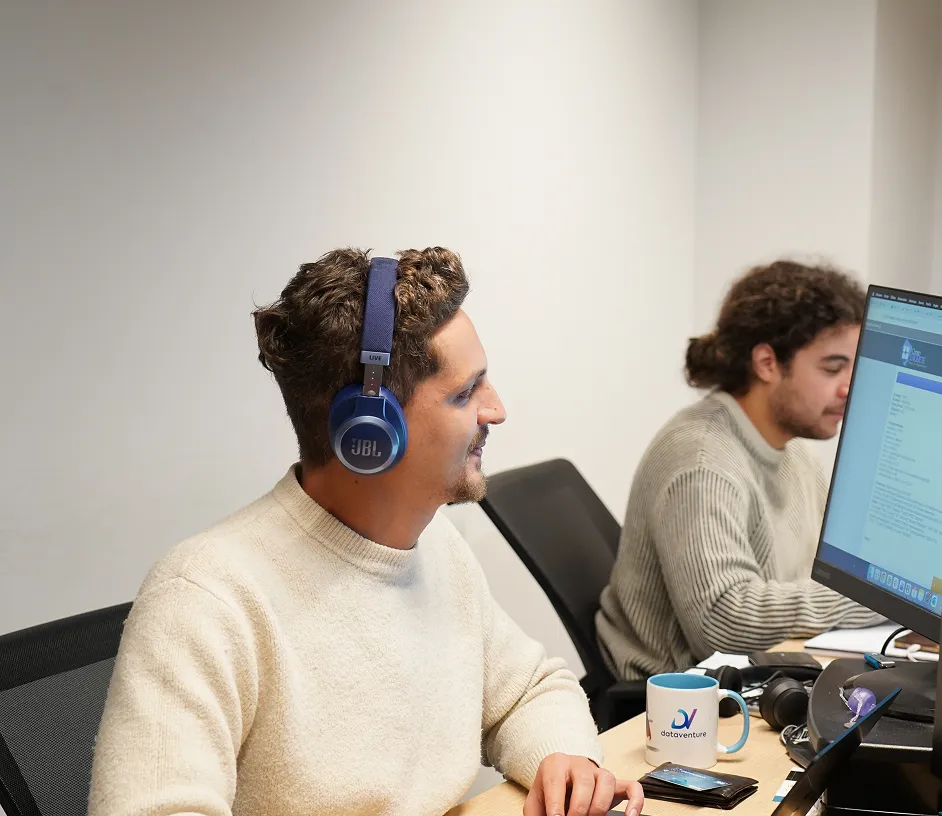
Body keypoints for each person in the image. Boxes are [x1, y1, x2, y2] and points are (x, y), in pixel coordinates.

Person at [88, 247, 644, 816]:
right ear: (370, 434)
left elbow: (527, 690)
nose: (495, 409)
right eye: (464, 393)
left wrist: (565, 759)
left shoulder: (436, 548)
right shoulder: (203, 602)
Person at [596, 260, 884, 681]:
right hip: (683, 704)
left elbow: (826, 568)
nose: (849, 387)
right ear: (767, 363)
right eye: (832, 368)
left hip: (764, 672)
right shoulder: (701, 461)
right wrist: (871, 600)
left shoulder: (793, 449)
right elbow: (722, 622)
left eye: (854, 367)